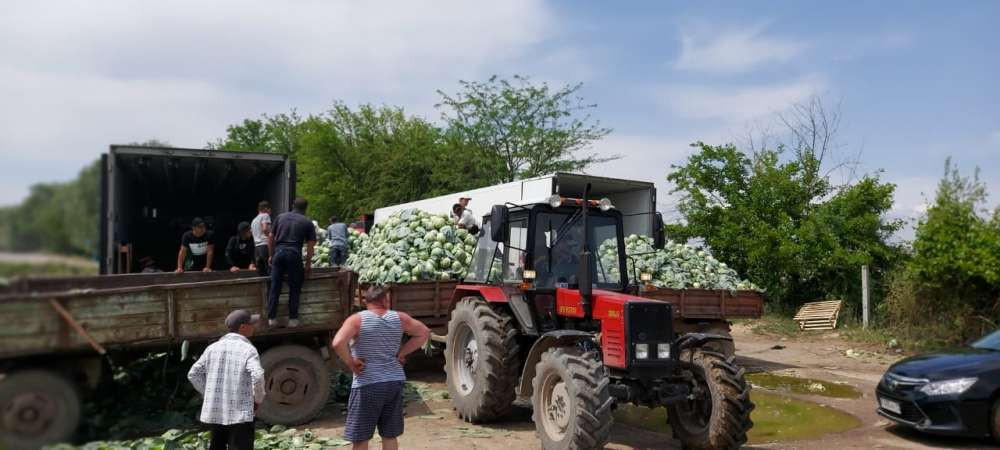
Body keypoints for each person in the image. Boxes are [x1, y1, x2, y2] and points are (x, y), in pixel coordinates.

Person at [331, 286, 430, 450]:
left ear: (366, 302)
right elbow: (424, 332)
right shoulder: (399, 318)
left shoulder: (357, 320)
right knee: (389, 435)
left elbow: (337, 343)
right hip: (393, 383)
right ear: (385, 300)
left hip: (367, 384)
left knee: (361, 438)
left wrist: (351, 362)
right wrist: (402, 353)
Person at [187, 309, 265, 450]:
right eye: (251, 324)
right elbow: (258, 375)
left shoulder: (212, 348)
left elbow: (193, 374)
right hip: (241, 413)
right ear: (243, 327)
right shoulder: (248, 349)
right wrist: (258, 399)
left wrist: (209, 393)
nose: (254, 327)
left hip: (216, 412)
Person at [267, 197, 316, 328]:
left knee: (275, 286)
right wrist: (308, 264)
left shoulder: (280, 217)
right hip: (294, 255)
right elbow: (311, 245)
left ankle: (272, 318)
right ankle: (293, 319)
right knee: (295, 287)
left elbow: (270, 237)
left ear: (293, 206)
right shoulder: (307, 222)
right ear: (305, 208)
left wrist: (271, 255)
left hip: (279, 253)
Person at [250, 201, 272, 276]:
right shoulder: (265, 215)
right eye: (269, 208)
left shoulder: (254, 220)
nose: (270, 210)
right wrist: (270, 236)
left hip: (257, 249)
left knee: (262, 273)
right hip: (264, 246)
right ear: (265, 208)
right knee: (270, 271)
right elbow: (265, 229)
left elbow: (252, 233)